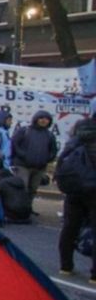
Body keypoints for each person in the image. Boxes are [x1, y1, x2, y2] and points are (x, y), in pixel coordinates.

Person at [56, 118, 96, 282]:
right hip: (94, 190)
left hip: (74, 189)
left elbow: (62, 161)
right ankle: (94, 275)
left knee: (69, 227)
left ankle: (66, 266)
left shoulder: (76, 137)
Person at [10, 110, 58, 213]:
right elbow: (14, 144)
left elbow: (53, 150)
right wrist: (23, 155)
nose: (44, 121)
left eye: (47, 119)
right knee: (22, 187)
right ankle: (18, 209)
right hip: (23, 165)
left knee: (32, 189)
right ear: (36, 119)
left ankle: (28, 208)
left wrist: (46, 159)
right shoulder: (24, 130)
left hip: (39, 167)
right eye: (41, 118)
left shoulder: (49, 135)